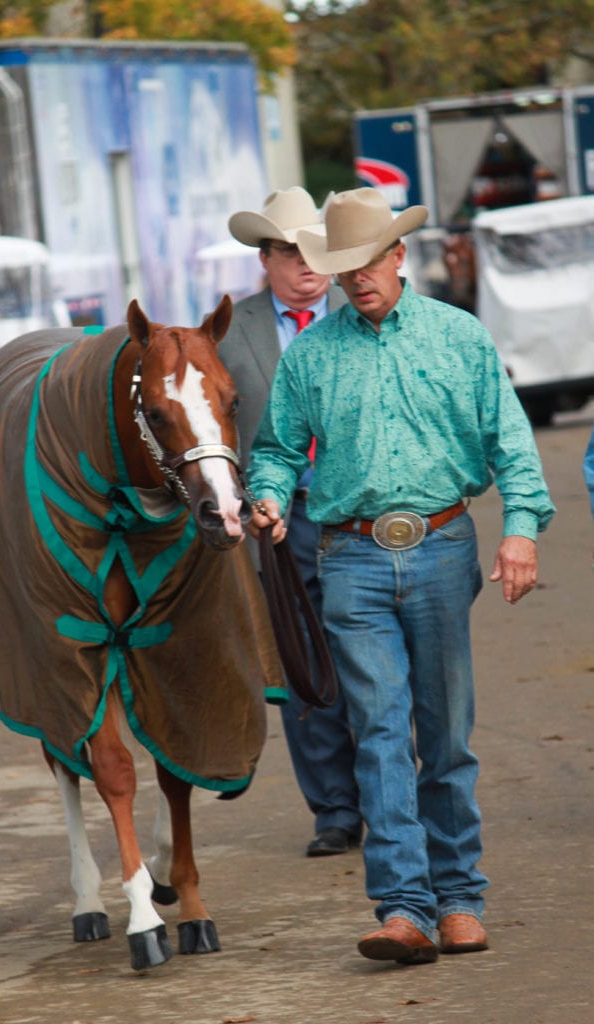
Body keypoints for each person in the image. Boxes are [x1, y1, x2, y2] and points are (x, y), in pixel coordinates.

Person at [246, 187, 555, 964]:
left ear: (397, 255)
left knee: (443, 733)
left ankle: (458, 897)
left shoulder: (459, 338)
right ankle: (404, 908)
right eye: (341, 269)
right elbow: (278, 449)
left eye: (366, 265)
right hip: (346, 556)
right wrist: (269, 496)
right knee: (378, 733)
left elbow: (510, 445)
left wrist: (520, 530)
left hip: (442, 547)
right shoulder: (312, 354)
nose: (355, 282)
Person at [219, 187, 362, 857]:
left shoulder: (359, 311)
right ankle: (333, 808)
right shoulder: (227, 329)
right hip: (277, 522)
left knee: (370, 656)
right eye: (288, 251)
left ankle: (386, 790)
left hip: (358, 514)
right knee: (300, 670)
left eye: (314, 250)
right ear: (264, 257)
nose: (305, 264)